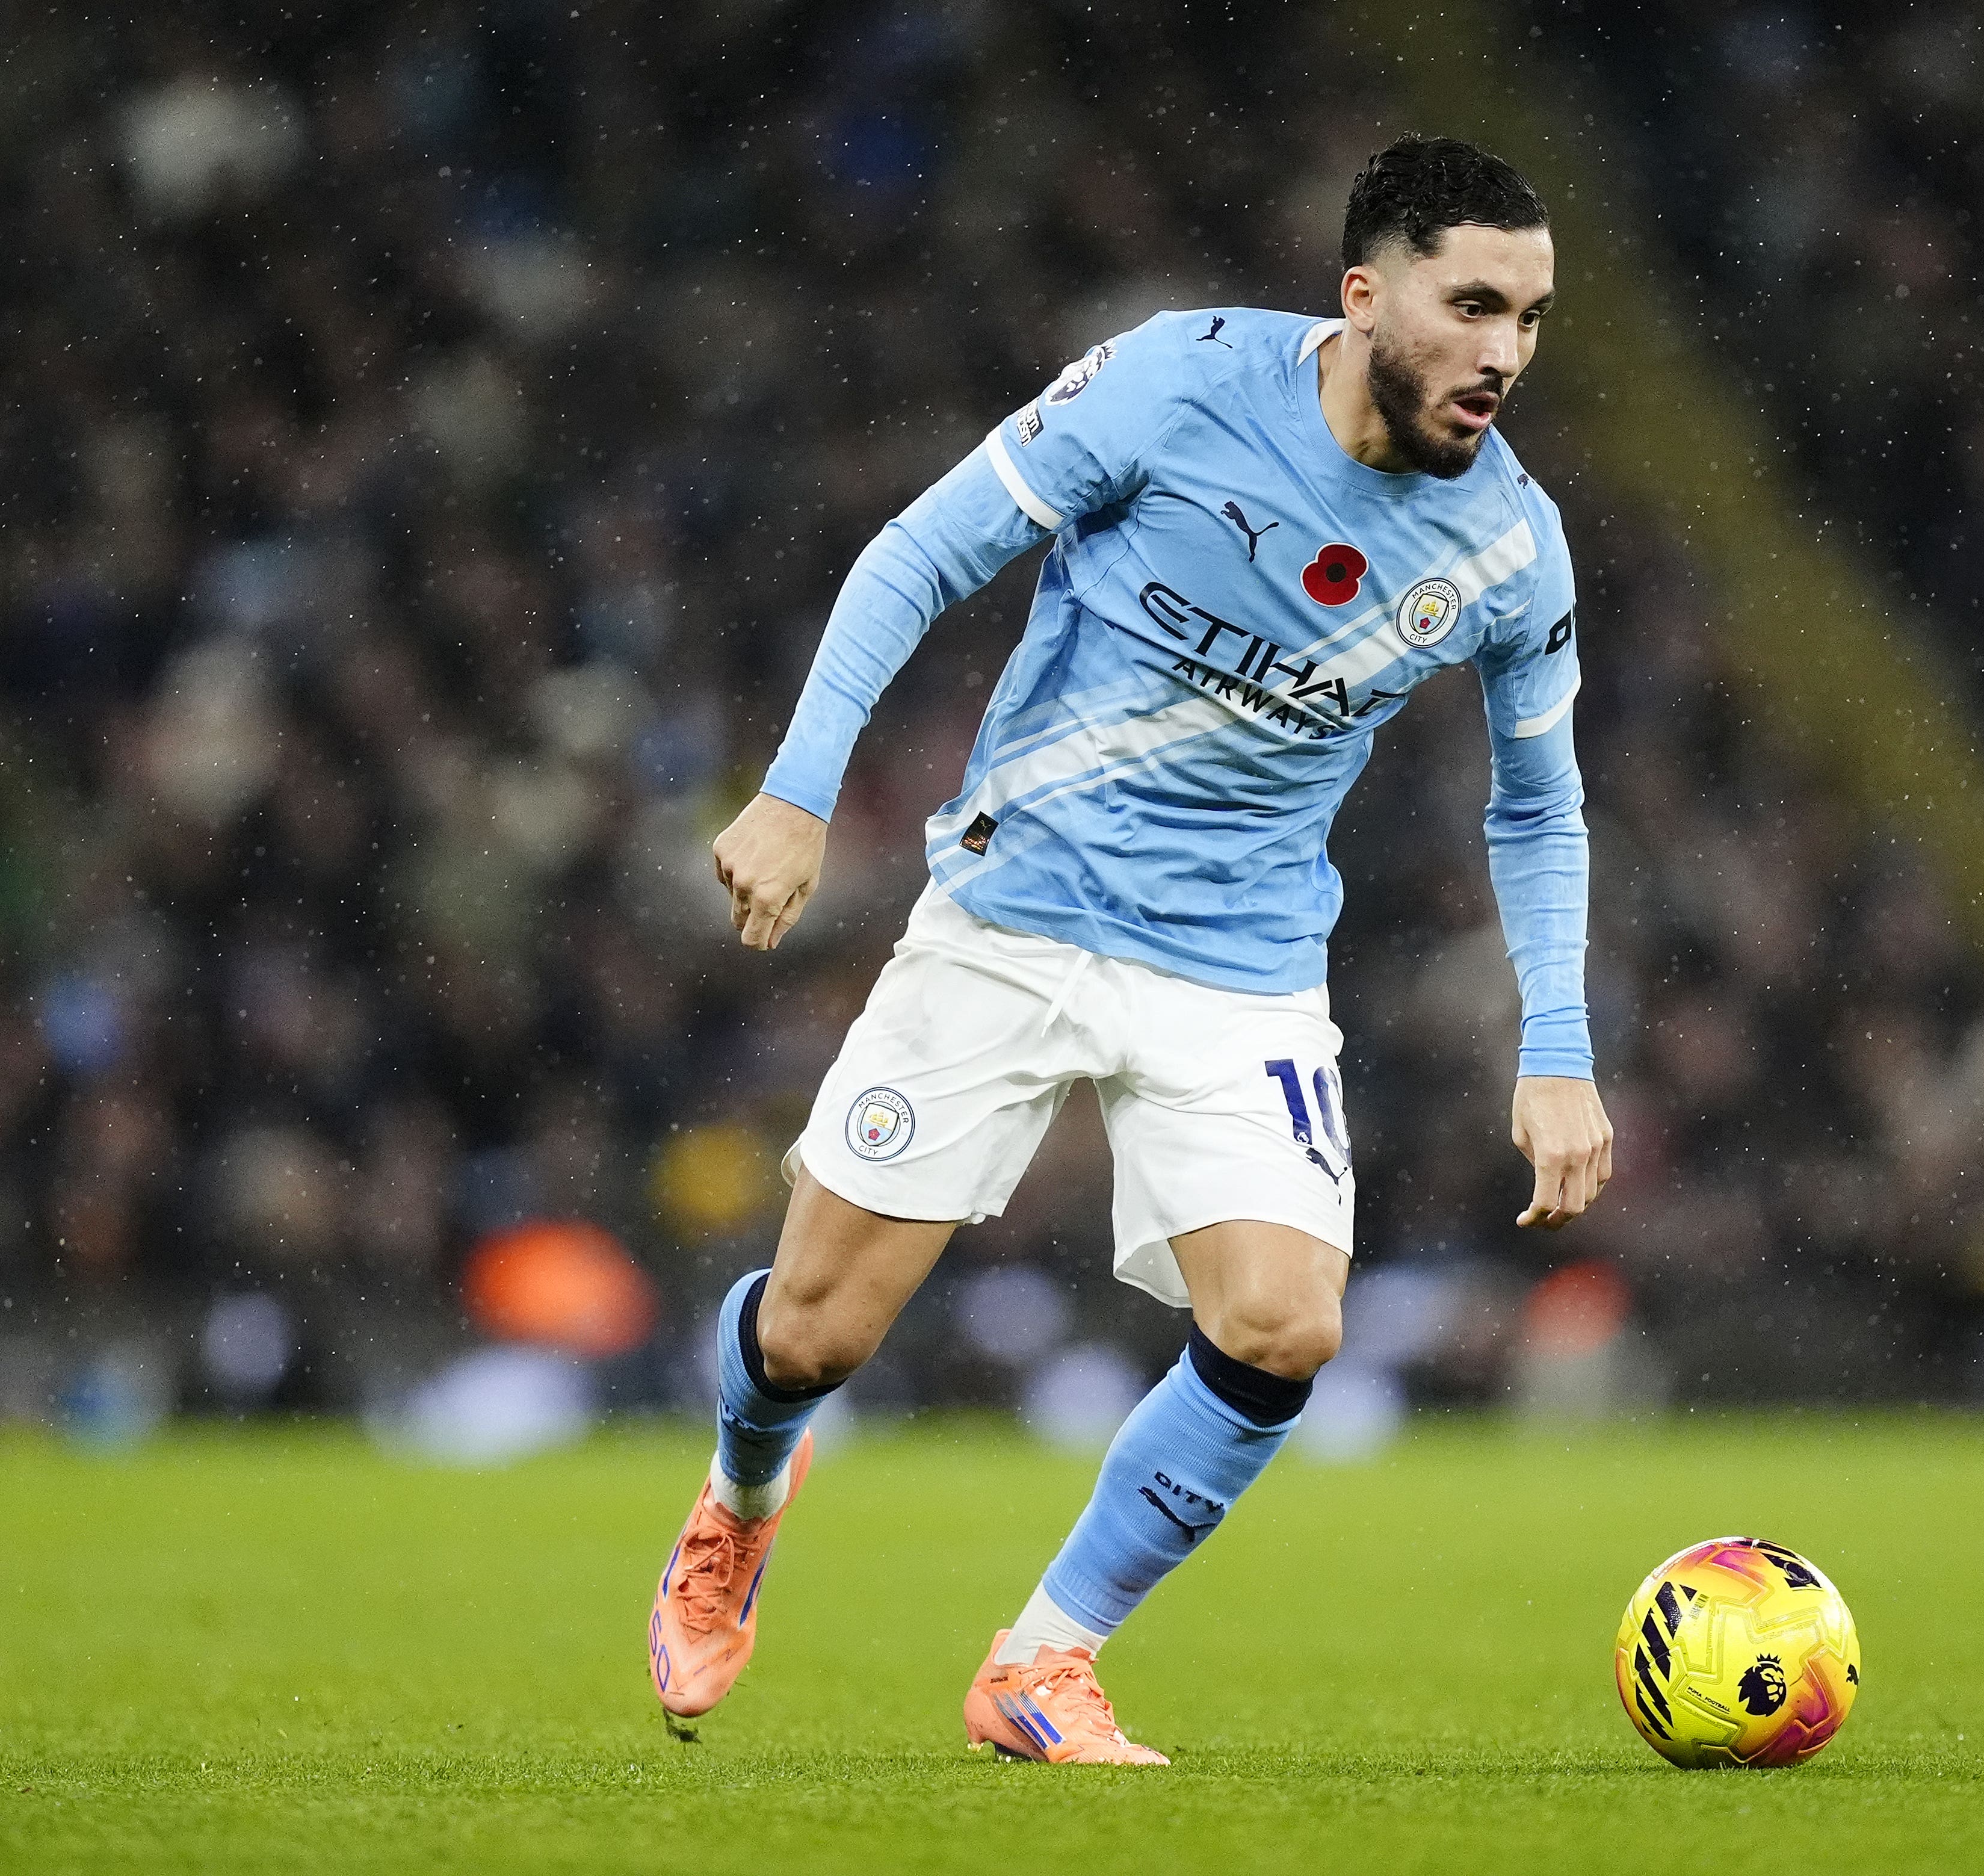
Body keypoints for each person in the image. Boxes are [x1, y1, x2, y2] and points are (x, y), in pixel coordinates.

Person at [646, 135, 1612, 1764]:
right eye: (1471, 307)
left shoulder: (1511, 550)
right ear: (1365, 295)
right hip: (1013, 917)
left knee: (1285, 1325)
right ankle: (743, 1496)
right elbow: (921, 552)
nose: (1504, 353)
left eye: (1529, 316)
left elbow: (1538, 809)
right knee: (811, 1336)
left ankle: (1044, 1658)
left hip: (1234, 969)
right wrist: (799, 791)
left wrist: (1561, 1046)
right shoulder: (1175, 384)